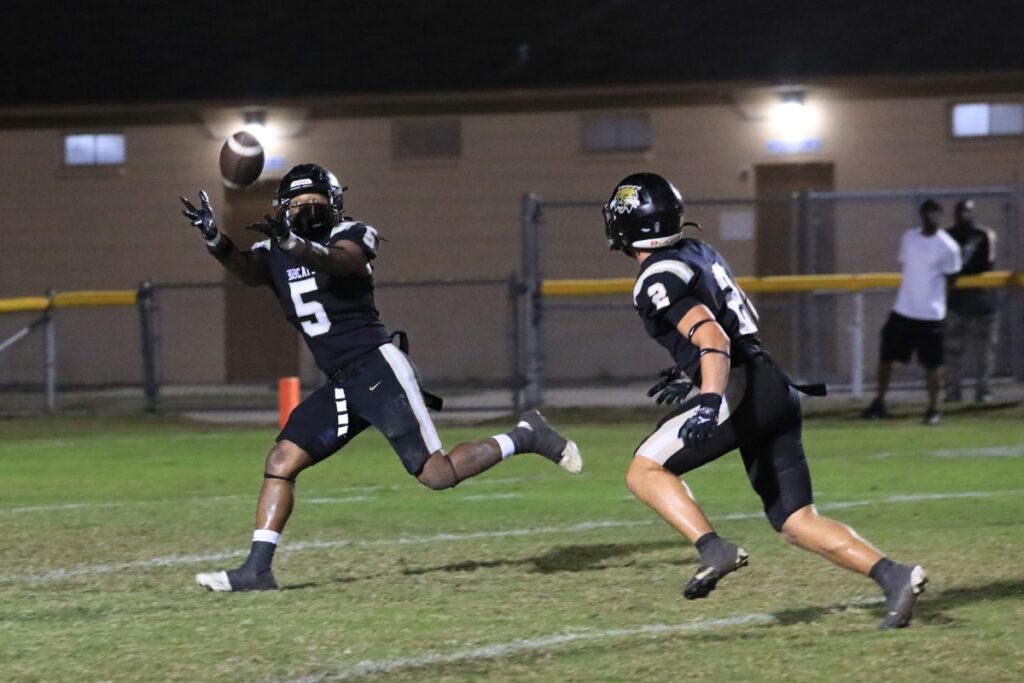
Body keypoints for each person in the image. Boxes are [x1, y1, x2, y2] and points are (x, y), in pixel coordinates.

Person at [178, 163, 582, 592]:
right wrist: (214, 239)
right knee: (281, 462)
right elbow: (245, 269)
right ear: (282, 208)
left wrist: (291, 242)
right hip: (340, 381)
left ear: (334, 205)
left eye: (316, 201)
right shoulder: (274, 249)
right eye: (298, 204)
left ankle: (525, 435)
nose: (308, 210)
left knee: (437, 475)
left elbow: (337, 262)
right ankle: (257, 570)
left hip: (376, 367)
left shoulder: (351, 234)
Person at [603, 172, 927, 629]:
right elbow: (732, 324)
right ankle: (895, 576)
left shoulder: (655, 275)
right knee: (796, 520)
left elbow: (712, 335)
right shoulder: (699, 251)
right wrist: (689, 370)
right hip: (774, 383)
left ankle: (714, 548)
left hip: (738, 387)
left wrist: (710, 398)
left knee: (644, 469)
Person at [862, 199, 962, 425]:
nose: (930, 218)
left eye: (934, 214)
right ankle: (879, 402)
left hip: (930, 314)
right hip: (904, 310)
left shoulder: (948, 246)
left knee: (932, 364)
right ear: (921, 215)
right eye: (926, 213)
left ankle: (933, 409)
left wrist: (937, 302)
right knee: (886, 356)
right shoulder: (909, 238)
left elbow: (952, 278)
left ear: (940, 216)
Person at [945, 199, 999, 403]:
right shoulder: (948, 236)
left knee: (984, 352)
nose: (964, 216)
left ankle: (984, 390)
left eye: (967, 212)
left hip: (982, 300)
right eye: (961, 212)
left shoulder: (984, 234)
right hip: (956, 302)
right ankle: (952, 391)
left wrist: (959, 272)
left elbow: (986, 264)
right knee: (952, 351)